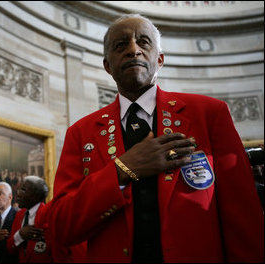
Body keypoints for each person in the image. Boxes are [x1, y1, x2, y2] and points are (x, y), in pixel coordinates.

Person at [49, 14, 264, 263]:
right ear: (108, 65)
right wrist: (122, 169)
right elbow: (61, 228)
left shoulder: (209, 114)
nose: (133, 50)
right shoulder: (81, 132)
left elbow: (243, 219)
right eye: (121, 45)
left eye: (143, 42)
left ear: (159, 59)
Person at [7, 176, 52, 263]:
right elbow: (10, 248)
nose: (18, 193)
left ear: (36, 195)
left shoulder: (49, 215)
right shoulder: (19, 215)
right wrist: (20, 235)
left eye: (23, 190)